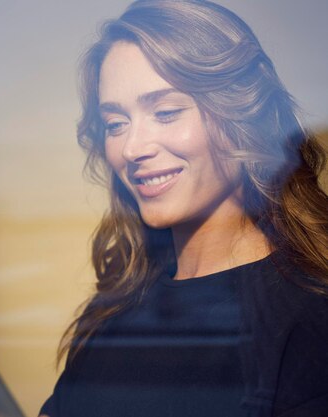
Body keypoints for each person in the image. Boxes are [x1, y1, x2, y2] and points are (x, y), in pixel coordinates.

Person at [39, 1, 328, 416]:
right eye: (116, 124)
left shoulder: (306, 322)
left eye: (166, 112)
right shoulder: (119, 306)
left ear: (239, 114)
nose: (134, 148)